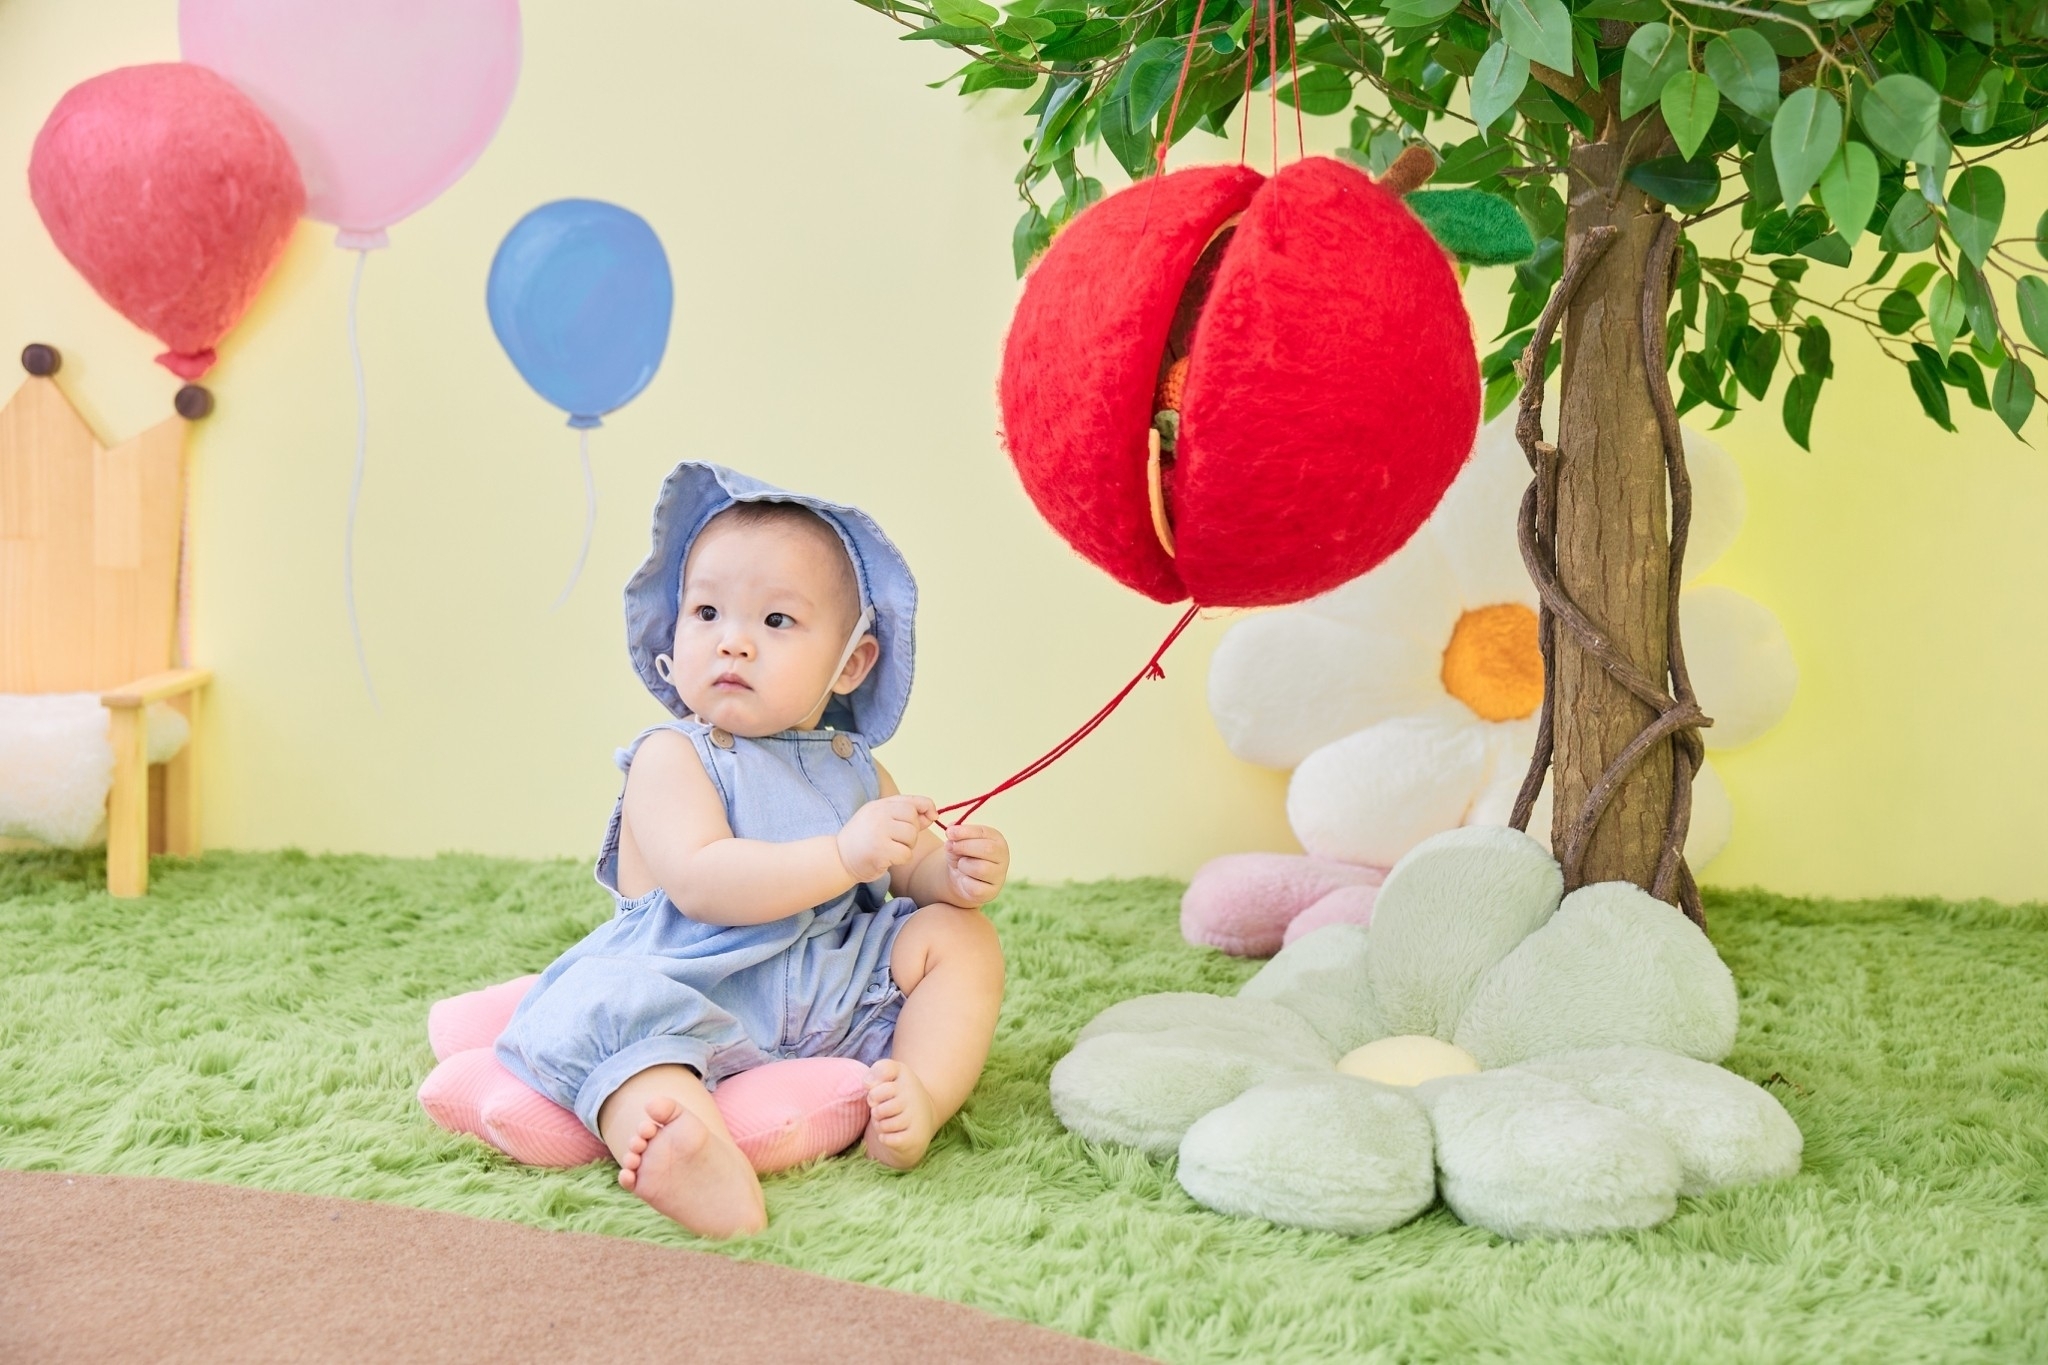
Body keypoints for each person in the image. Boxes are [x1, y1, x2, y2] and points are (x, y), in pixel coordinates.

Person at [496, 463, 1008, 1238]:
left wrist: (954, 872)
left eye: (775, 620)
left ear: (851, 663)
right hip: (695, 986)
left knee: (960, 937)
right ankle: (682, 1140)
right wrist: (845, 854)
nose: (732, 640)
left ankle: (919, 1095)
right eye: (706, 611)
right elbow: (704, 880)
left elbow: (909, 872)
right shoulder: (672, 756)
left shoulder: (856, 768)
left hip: (835, 992)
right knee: (610, 1014)